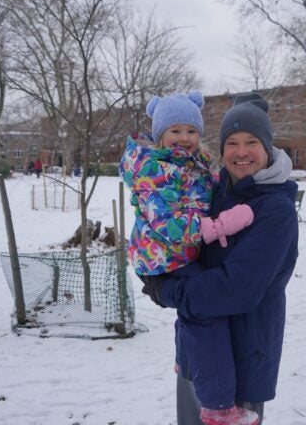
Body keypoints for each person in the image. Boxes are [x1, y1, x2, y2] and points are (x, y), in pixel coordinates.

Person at [142, 93, 300, 424]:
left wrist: (166, 290)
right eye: (232, 142)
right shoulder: (213, 191)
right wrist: (153, 259)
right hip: (197, 353)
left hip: (243, 361)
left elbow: (236, 290)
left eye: (251, 142)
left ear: (268, 147)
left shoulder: (275, 210)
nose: (241, 152)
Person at [119, 91, 259, 425]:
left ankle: (189, 362)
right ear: (160, 135)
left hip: (180, 254)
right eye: (176, 131)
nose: (185, 138)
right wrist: (217, 226)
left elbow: (206, 188)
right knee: (205, 311)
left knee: (196, 311)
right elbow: (165, 221)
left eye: (191, 131)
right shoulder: (154, 168)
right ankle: (217, 406)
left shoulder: (192, 164)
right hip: (161, 256)